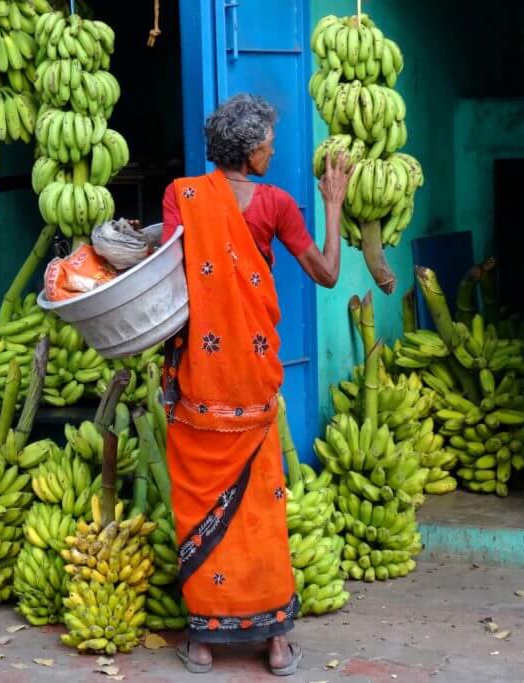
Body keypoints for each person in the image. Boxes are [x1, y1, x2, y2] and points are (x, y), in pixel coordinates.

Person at [160, 94, 351, 676]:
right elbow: (327, 273)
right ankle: (273, 642)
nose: (273, 148)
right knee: (262, 515)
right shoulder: (276, 204)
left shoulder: (181, 196)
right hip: (252, 381)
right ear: (250, 149)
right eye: (268, 141)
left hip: (201, 381)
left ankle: (202, 642)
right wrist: (334, 205)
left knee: (198, 505)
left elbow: (168, 274)